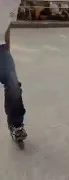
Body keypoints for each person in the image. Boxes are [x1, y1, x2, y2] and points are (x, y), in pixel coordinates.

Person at [0, 0, 27, 146]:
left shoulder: (14, 2)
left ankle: (16, 125)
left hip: (1, 48)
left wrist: (7, 51)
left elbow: (6, 26)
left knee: (14, 86)